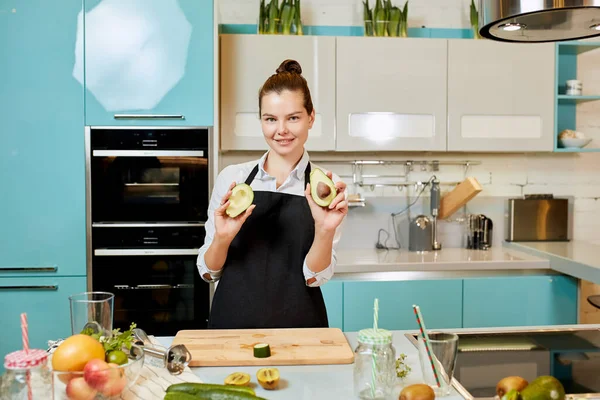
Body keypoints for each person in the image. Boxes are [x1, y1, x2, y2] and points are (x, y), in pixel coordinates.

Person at [197, 59, 348, 329]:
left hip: (301, 329)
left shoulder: (327, 188)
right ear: (261, 121)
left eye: (293, 118)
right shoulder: (233, 178)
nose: (281, 130)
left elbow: (314, 277)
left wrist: (324, 230)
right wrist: (222, 238)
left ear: (310, 118)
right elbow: (209, 272)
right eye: (270, 119)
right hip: (231, 327)